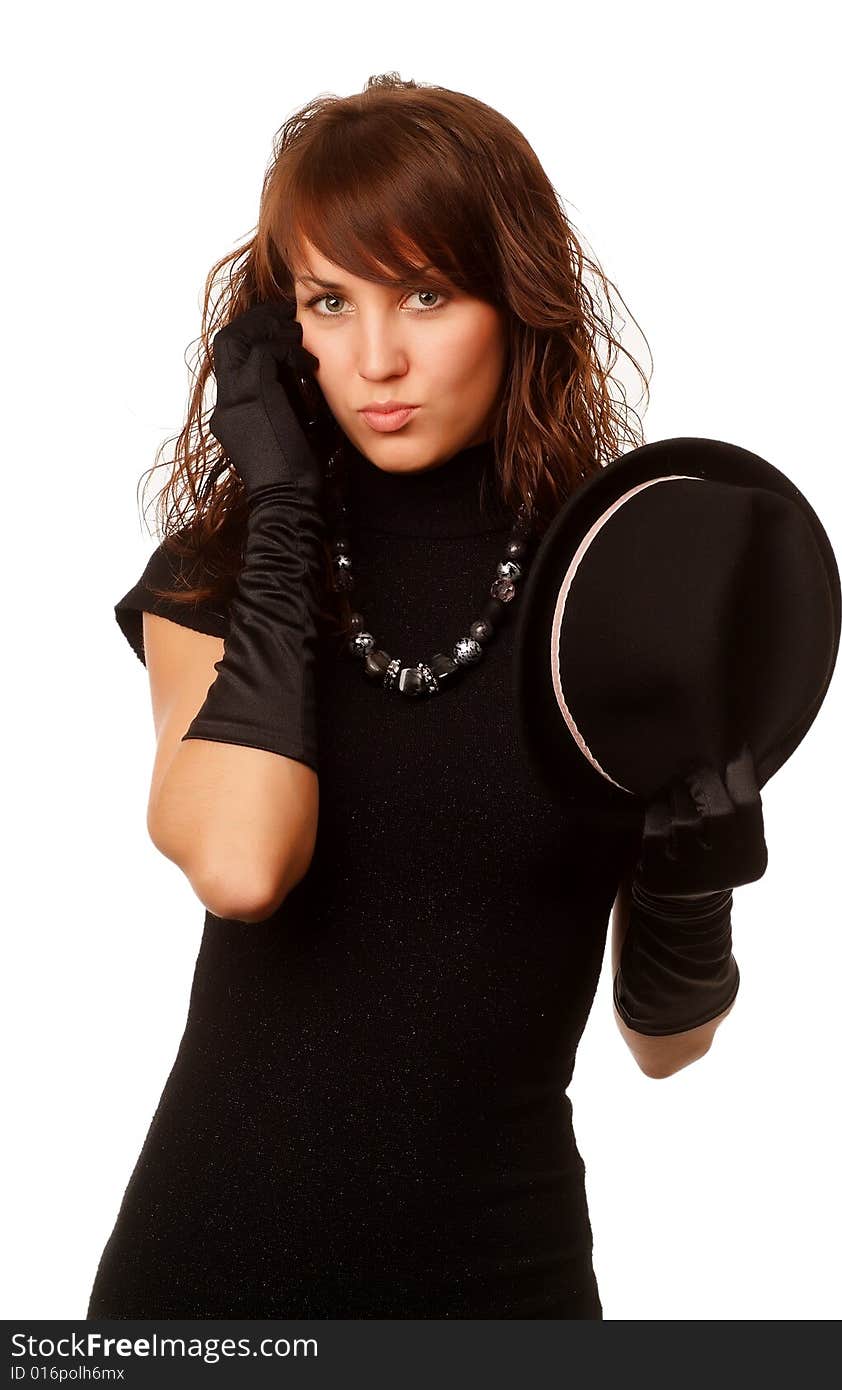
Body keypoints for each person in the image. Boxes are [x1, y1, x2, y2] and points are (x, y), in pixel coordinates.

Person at [86, 73, 735, 1321]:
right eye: (331, 303)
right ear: (284, 332)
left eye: (425, 295)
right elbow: (239, 863)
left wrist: (694, 878)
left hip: (510, 1284)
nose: (375, 358)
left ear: (516, 302)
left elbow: (665, 1043)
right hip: (212, 1284)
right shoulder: (216, 580)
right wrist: (279, 503)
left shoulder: (619, 589)